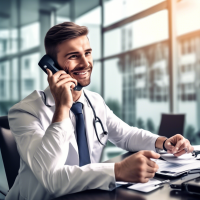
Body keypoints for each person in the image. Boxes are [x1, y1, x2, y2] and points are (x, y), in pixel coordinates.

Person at [6, 22, 194, 200]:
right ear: (51, 66)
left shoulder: (94, 101)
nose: (85, 63)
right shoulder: (24, 112)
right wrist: (62, 107)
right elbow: (50, 179)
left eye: (87, 53)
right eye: (73, 56)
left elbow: (126, 135)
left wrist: (164, 142)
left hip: (87, 194)